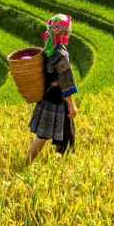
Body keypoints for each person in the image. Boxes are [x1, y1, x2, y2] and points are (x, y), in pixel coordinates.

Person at [28, 13, 78, 163]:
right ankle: (54, 166)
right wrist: (72, 105)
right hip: (58, 101)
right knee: (64, 138)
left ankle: (28, 163)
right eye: (68, 30)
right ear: (63, 33)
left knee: (46, 136)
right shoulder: (61, 54)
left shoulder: (47, 50)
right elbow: (66, 82)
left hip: (46, 98)